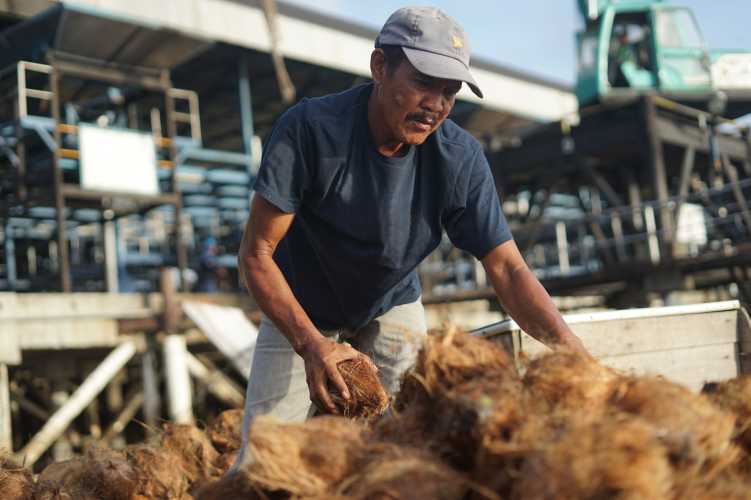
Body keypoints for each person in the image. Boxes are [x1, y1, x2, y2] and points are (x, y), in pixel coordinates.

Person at [233, 6, 587, 467]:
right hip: (303, 306)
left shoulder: (460, 158)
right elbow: (256, 253)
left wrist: (576, 358)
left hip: (391, 299)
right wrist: (311, 344)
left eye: (450, 91)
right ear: (380, 67)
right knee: (261, 463)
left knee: (409, 450)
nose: (436, 105)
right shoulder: (310, 131)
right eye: (423, 82)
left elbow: (507, 267)